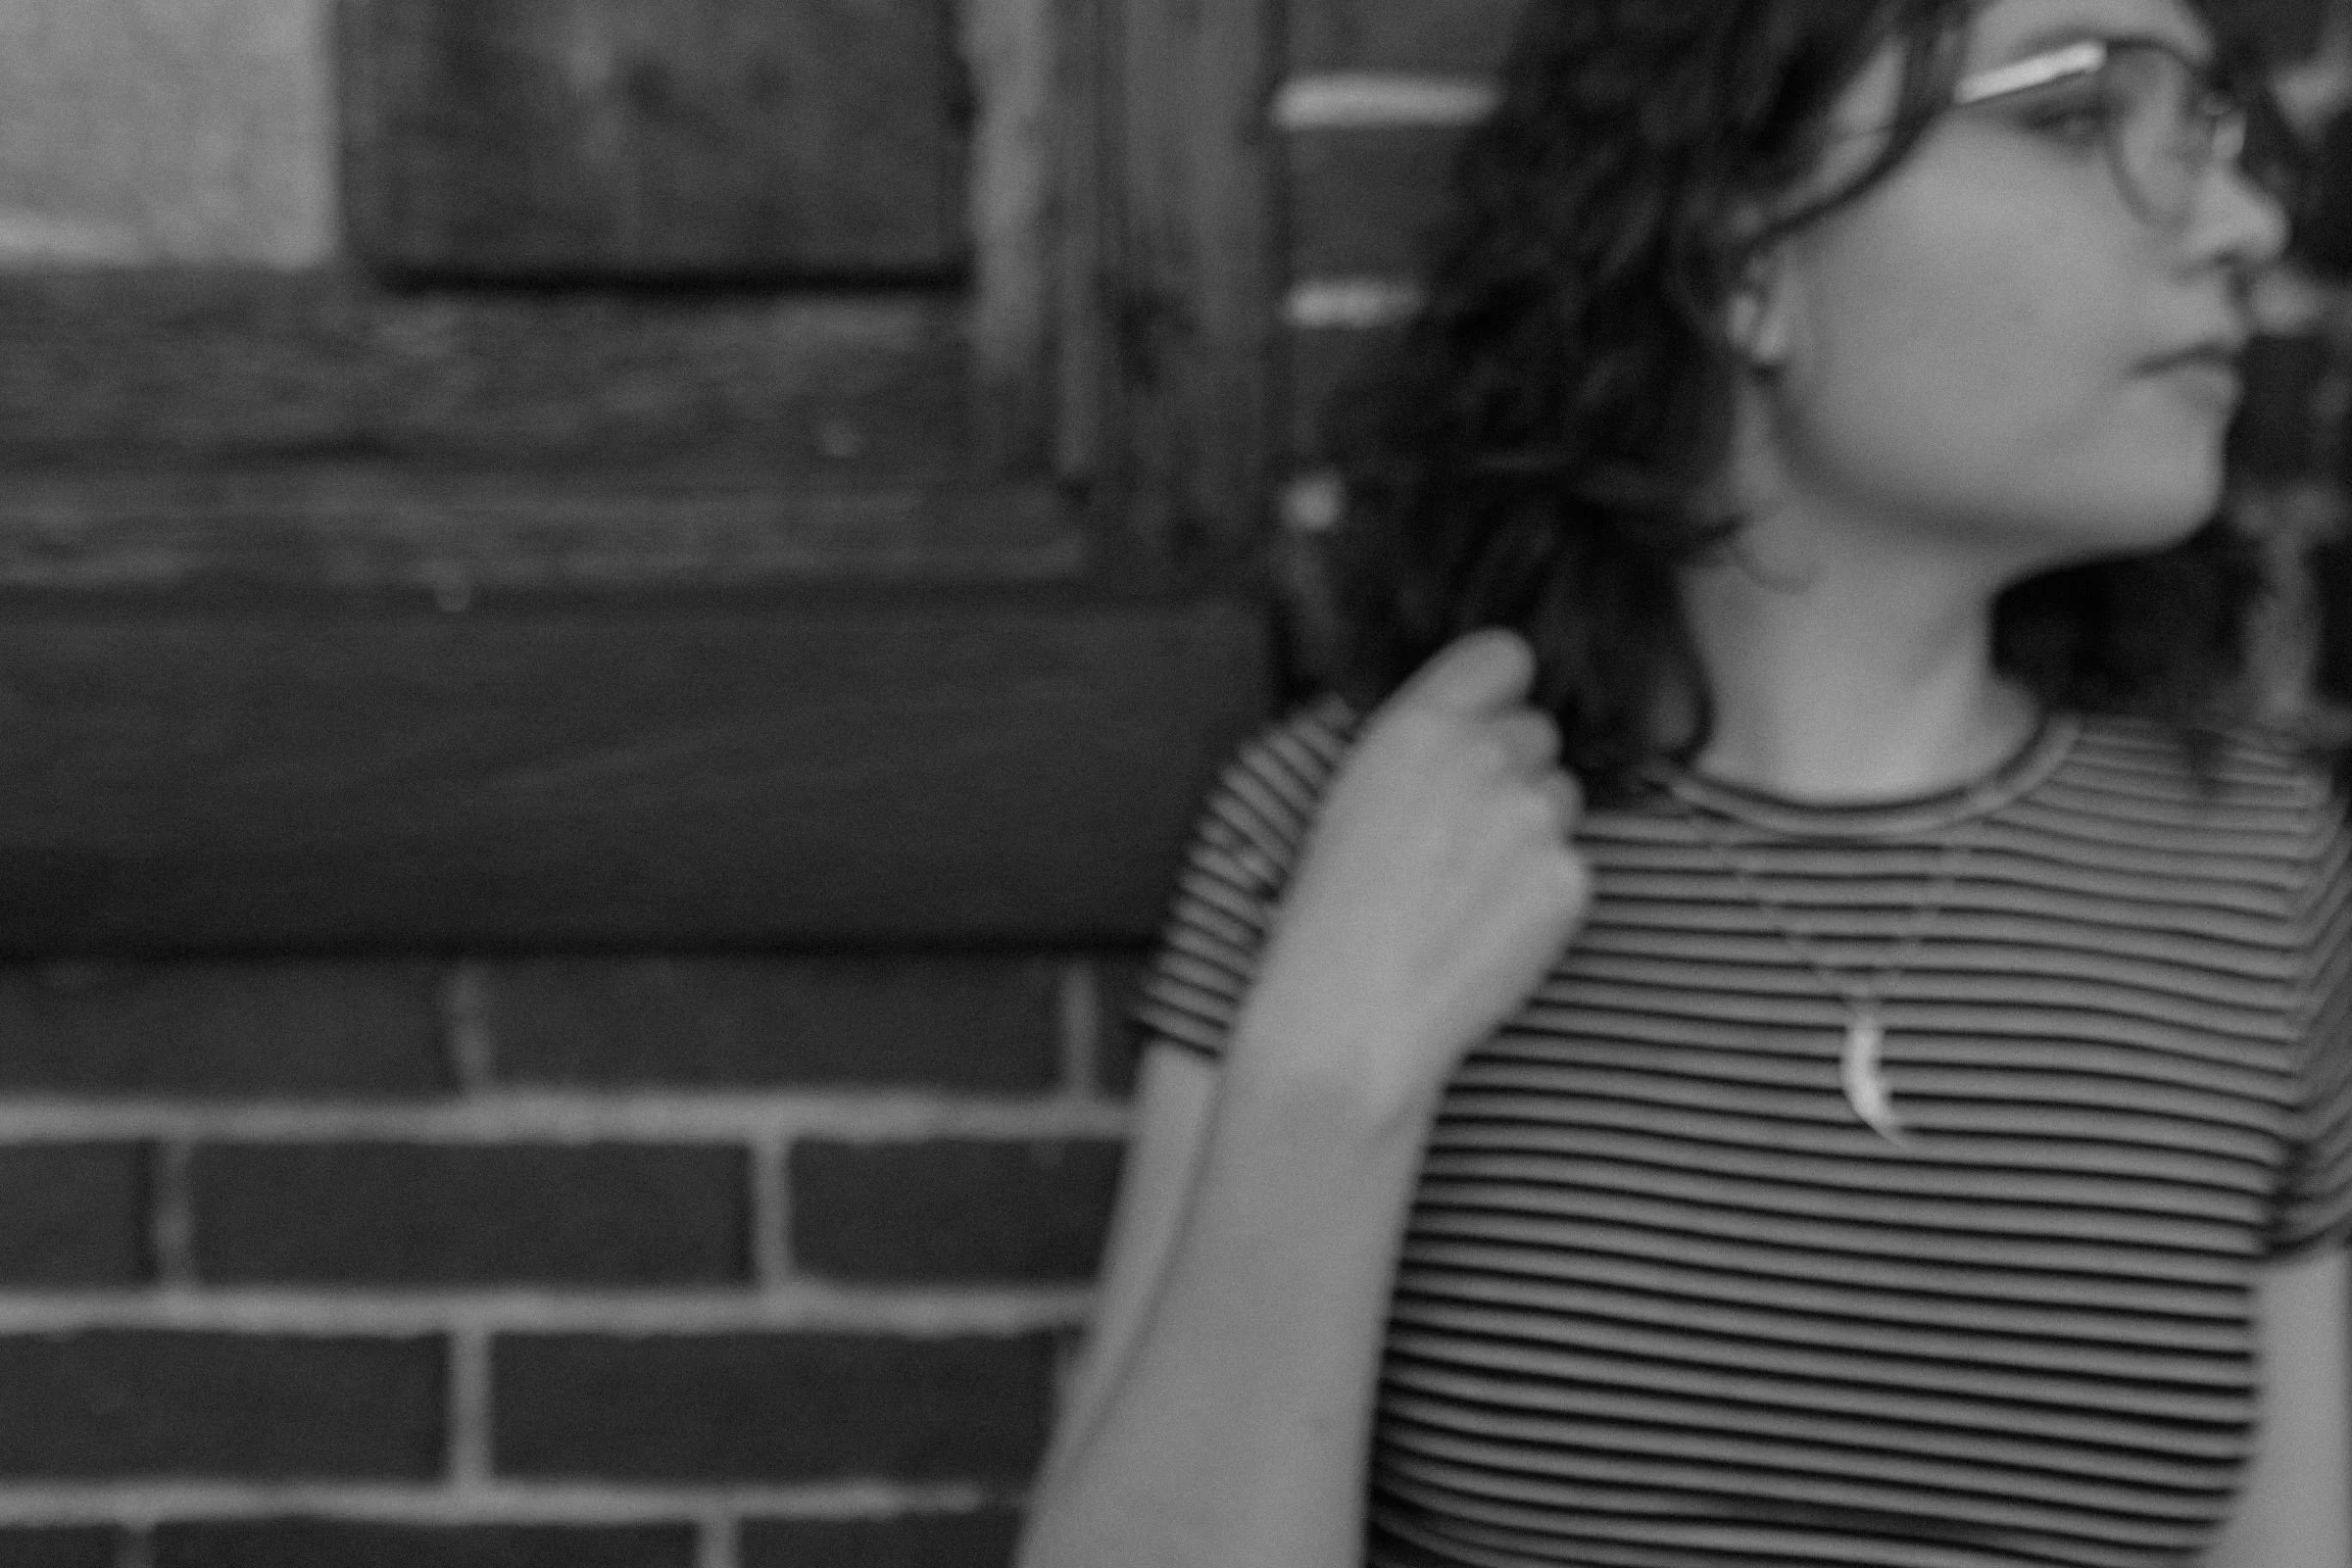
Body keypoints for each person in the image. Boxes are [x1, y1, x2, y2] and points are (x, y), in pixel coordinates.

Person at [1017, 0, 2352, 1562]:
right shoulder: (1358, 831)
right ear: (1738, 260)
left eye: (2210, 132)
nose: (2245, 223)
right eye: (2075, 115)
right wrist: (1330, 1075)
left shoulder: (2259, 871)